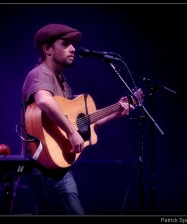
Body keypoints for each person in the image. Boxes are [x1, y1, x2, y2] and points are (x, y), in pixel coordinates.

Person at [20, 23, 135, 215]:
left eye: (72, 44)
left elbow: (81, 123)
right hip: (46, 167)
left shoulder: (61, 80)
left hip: (55, 164)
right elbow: (43, 100)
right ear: (47, 49)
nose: (73, 48)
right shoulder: (41, 74)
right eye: (65, 44)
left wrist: (115, 112)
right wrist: (72, 132)